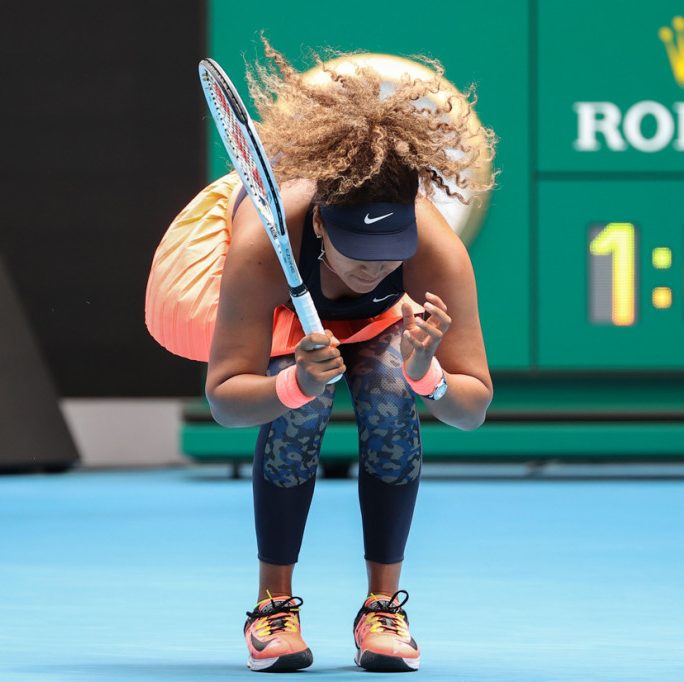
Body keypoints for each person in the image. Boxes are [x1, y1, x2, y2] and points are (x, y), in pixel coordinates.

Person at [201, 38, 497, 673]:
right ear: (319, 227)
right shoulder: (262, 249)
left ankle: (383, 608)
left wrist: (430, 376)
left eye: (393, 249)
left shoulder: (435, 253)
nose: (379, 266)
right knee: (297, 410)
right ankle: (272, 608)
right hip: (294, 331)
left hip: (382, 333)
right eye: (360, 252)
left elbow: (473, 409)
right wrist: (296, 384)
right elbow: (225, 399)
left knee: (393, 392)